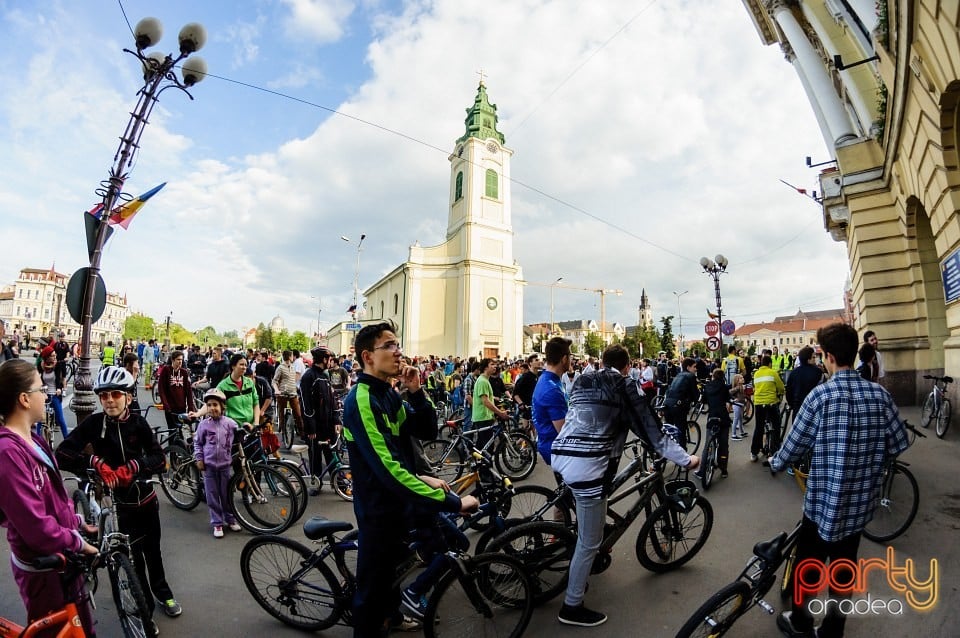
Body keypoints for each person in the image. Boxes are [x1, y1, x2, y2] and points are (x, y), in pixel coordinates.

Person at [769, 323, 910, 638]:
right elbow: (900, 442)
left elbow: (792, 447)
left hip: (822, 507)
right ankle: (832, 631)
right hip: (859, 509)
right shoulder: (879, 394)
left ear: (828, 356)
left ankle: (802, 623)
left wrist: (775, 462)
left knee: (809, 566)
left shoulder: (821, 396)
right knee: (844, 570)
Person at [342, 322, 476, 637]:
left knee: (392, 577)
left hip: (399, 507)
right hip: (379, 511)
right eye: (389, 345)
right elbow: (390, 471)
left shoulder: (388, 395)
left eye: (397, 344)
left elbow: (425, 430)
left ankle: (394, 617)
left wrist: (416, 392)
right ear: (368, 356)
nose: (398, 350)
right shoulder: (361, 400)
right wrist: (453, 502)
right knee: (369, 599)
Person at [551, 345, 698, 626]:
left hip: (563, 455)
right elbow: (652, 432)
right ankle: (571, 605)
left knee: (593, 511)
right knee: (589, 542)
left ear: (603, 361)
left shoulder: (584, 378)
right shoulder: (623, 384)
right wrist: (687, 459)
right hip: (588, 468)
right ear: (628, 366)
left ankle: (584, 552)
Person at [56, 366, 181, 635]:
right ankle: (144, 606)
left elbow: (160, 460)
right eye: (104, 396)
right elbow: (62, 452)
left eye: (116, 394)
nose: (110, 400)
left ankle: (163, 593)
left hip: (146, 500)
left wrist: (134, 466)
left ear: (128, 397)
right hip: (118, 505)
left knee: (152, 552)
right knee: (133, 558)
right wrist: (93, 461)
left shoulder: (138, 423)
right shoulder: (93, 423)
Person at [0, 359, 99, 637]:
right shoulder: (8, 453)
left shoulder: (35, 439)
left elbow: (52, 500)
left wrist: (76, 522)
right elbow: (36, 527)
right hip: (43, 570)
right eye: (40, 389)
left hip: (62, 562)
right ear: (23, 399)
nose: (47, 394)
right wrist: (79, 543)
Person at [192, 388, 244, 538]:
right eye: (209, 405)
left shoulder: (229, 423)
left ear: (223, 407)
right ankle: (217, 523)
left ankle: (230, 519)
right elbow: (198, 443)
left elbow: (239, 432)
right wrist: (199, 458)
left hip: (225, 467)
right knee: (212, 496)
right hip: (209, 467)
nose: (212, 408)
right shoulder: (203, 425)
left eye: (215, 404)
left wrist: (247, 428)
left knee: (226, 494)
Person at [300, 346, 342, 495]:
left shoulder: (325, 375)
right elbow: (306, 405)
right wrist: (310, 428)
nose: (331, 362)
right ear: (324, 359)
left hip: (329, 423)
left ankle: (338, 483)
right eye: (329, 359)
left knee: (332, 452)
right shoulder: (308, 377)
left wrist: (336, 419)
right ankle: (315, 483)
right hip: (316, 425)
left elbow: (333, 399)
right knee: (315, 455)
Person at [532, 337, 572, 465]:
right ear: (564, 359)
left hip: (551, 445)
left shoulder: (549, 379)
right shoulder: (552, 389)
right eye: (570, 356)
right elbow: (564, 430)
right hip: (558, 450)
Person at [751, 354, 784, 463]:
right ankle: (776, 449)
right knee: (776, 425)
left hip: (759, 404)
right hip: (771, 403)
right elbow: (780, 387)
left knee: (759, 427)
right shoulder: (773, 372)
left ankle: (754, 453)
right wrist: (780, 393)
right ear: (770, 364)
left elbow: (755, 387)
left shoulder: (756, 374)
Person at [698, 368, 731, 478]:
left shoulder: (707, 387)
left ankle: (702, 470)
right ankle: (723, 469)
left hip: (712, 416)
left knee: (707, 443)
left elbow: (704, 401)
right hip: (723, 417)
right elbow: (728, 399)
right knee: (723, 444)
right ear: (722, 377)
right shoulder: (724, 387)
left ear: (713, 376)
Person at [472, 358, 509, 448]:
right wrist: (500, 413)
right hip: (483, 417)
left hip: (485, 416)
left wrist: (494, 398)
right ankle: (482, 462)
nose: (495, 366)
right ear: (485, 368)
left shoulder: (484, 380)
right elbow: (485, 401)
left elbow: (487, 397)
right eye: (492, 364)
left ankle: (477, 461)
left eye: (495, 364)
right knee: (488, 447)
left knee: (481, 446)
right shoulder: (483, 381)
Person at [663, 357, 699, 448]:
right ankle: (682, 457)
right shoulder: (691, 376)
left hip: (667, 404)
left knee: (669, 430)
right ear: (688, 367)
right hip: (678, 406)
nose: (696, 369)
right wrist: (696, 402)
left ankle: (663, 452)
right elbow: (695, 393)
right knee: (680, 430)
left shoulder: (678, 376)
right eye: (694, 367)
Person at [157, 350, 196, 432]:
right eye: (178, 359)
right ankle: (172, 445)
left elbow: (189, 392)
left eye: (181, 360)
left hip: (181, 407)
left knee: (181, 430)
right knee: (172, 430)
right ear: (173, 360)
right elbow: (161, 389)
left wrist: (190, 408)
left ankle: (179, 445)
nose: (180, 362)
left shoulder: (184, 372)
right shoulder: (166, 370)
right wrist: (165, 404)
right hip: (170, 407)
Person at [36, 346, 68, 438]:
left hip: (54, 394)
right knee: (40, 419)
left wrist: (59, 389)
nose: (55, 357)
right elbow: (39, 379)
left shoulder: (57, 365)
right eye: (53, 356)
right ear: (47, 357)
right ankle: (38, 440)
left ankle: (67, 439)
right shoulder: (41, 365)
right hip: (44, 394)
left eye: (55, 355)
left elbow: (59, 379)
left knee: (60, 419)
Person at [273, 350, 304, 439]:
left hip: (293, 394)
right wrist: (276, 390)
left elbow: (294, 379)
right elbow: (274, 381)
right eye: (292, 355)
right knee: (281, 414)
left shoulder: (293, 367)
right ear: (289, 357)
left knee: (298, 414)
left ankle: (302, 434)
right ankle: (284, 433)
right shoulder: (280, 368)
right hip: (282, 394)